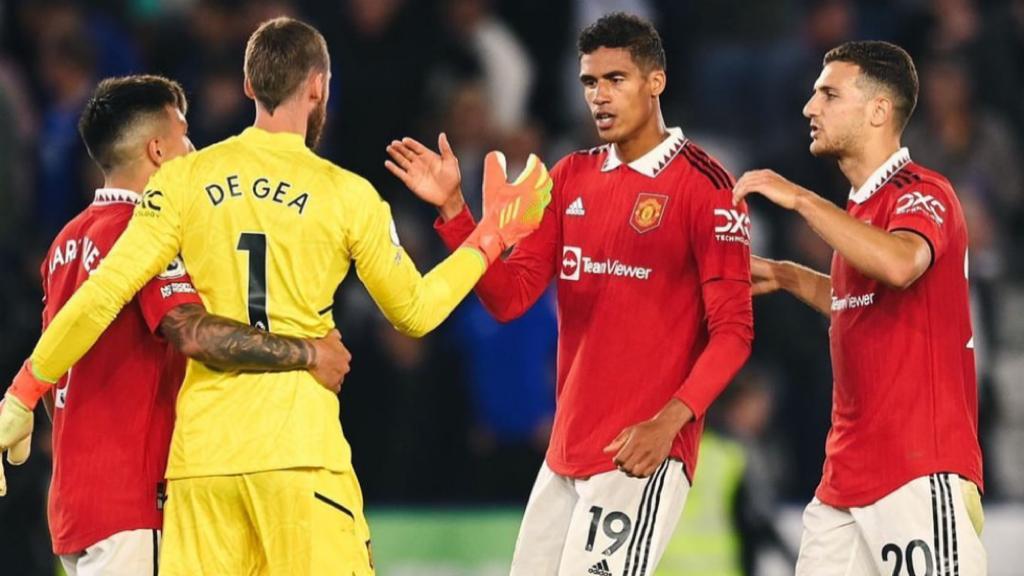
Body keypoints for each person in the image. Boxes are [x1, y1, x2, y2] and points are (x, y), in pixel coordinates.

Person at [0, 16, 551, 576]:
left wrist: (23, 393)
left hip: (203, 471)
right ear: (318, 87)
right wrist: (488, 236)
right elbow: (415, 313)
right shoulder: (347, 195)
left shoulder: (184, 182)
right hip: (300, 461)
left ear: (248, 87)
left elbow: (101, 297)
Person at [386, 12, 752, 575]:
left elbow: (733, 335)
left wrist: (669, 422)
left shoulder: (707, 188)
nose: (599, 97)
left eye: (616, 79)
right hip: (564, 456)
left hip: (641, 455)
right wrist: (458, 215)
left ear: (656, 81)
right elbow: (510, 298)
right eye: (589, 82)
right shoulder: (568, 178)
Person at [8, 74, 352, 576]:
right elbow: (190, 332)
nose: (195, 149)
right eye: (185, 135)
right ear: (158, 151)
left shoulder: (66, 242)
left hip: (74, 505)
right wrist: (310, 352)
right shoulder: (142, 233)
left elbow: (60, 360)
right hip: (134, 501)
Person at [733, 41, 986, 575]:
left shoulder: (924, 193)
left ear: (878, 110)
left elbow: (900, 265)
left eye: (828, 94)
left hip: (918, 474)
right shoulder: (862, 212)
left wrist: (801, 200)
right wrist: (786, 274)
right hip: (844, 484)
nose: (810, 107)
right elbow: (858, 304)